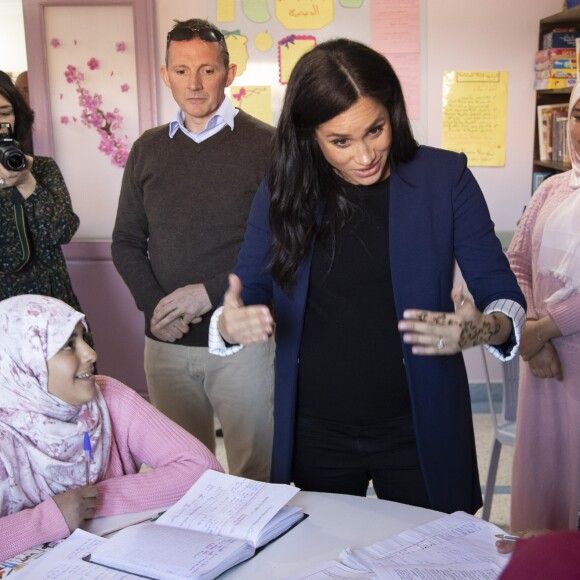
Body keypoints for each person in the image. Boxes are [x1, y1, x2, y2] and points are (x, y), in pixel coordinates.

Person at [210, 38, 526, 514]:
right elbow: (249, 288)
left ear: (392, 112)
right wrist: (229, 324)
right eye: (341, 141)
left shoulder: (445, 178)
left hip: (420, 426)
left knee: (434, 559)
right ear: (309, 136)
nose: (364, 156)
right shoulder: (285, 188)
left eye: (375, 130)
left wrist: (480, 328)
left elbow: (503, 294)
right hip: (316, 430)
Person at [111, 19, 275, 481]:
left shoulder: (269, 145)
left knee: (255, 475)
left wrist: (208, 292)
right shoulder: (147, 149)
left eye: (207, 70)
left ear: (230, 72)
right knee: (183, 477)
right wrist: (156, 305)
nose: (194, 83)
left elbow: (285, 244)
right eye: (181, 71)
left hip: (242, 341)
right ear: (166, 76)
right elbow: (125, 241)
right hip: (165, 344)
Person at [0, 294, 223, 561]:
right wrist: (49, 518)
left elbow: (203, 467)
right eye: (68, 345)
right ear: (24, 364)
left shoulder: (106, 395)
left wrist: (94, 502)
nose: (91, 353)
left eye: (84, 338)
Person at [507, 81, 580, 532]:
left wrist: (544, 328)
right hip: (546, 367)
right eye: (579, 115)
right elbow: (516, 261)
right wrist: (535, 334)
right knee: (544, 483)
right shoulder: (553, 188)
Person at [0, 72, 85, 325]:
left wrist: (28, 183)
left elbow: (62, 232)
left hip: (49, 301)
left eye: (5, 113)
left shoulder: (42, 168)